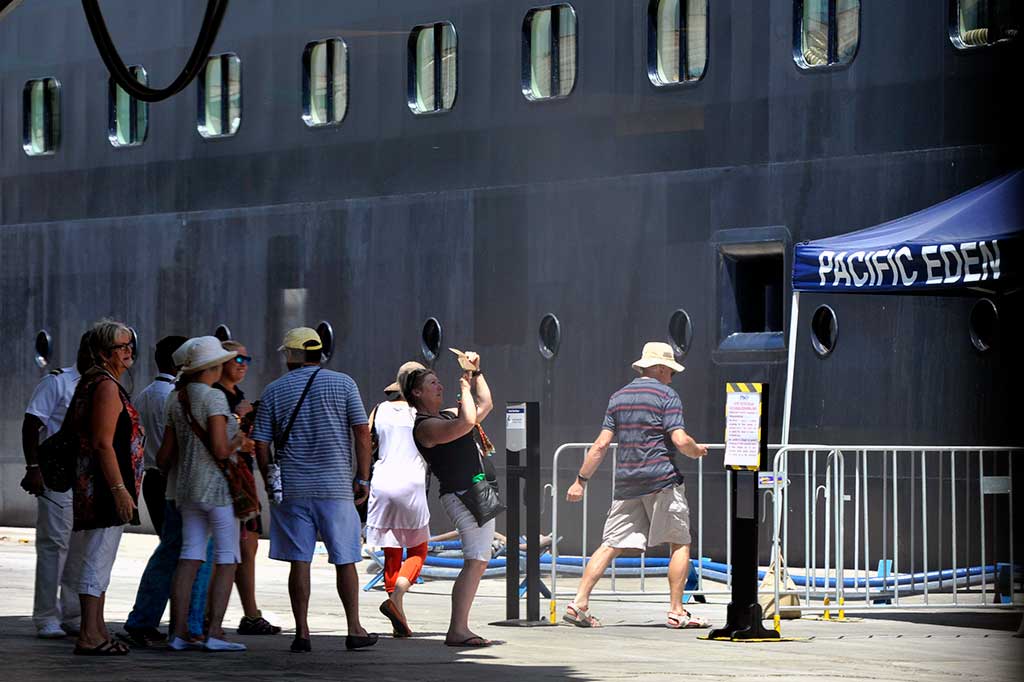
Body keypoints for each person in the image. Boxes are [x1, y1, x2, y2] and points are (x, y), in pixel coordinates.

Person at [562, 342, 709, 630]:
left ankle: (578, 603)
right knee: (680, 541)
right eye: (671, 372)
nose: (672, 377)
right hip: (662, 481)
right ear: (662, 368)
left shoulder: (618, 397)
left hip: (627, 483)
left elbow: (601, 445)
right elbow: (679, 440)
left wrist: (580, 481)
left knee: (610, 544)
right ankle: (677, 611)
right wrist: (696, 450)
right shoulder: (667, 395)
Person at [252, 327, 377, 653]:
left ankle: (303, 633)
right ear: (319, 352)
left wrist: (269, 478)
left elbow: (261, 442)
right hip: (336, 488)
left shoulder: (273, 391)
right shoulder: (344, 383)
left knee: (300, 561)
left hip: (292, 489)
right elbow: (362, 434)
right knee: (346, 559)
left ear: (292, 355)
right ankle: (354, 629)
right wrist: (362, 478)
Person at [121, 335, 212, 648]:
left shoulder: (147, 393)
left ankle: (154, 619)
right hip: (178, 480)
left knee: (171, 551)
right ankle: (179, 622)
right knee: (184, 553)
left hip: (154, 478)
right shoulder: (177, 396)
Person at [159, 336, 248, 652]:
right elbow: (221, 450)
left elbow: (164, 457)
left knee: (189, 556)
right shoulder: (213, 399)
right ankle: (213, 632)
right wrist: (239, 440)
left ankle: (178, 633)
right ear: (212, 366)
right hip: (217, 490)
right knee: (227, 557)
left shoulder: (176, 398)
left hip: (186, 489)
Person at [406, 352, 496, 647]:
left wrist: (477, 373)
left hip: (474, 491)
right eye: (433, 383)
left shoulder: (444, 415)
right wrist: (465, 389)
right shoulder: (425, 426)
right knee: (476, 560)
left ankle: (459, 627)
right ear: (417, 392)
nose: (439, 386)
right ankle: (458, 628)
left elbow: (485, 406)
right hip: (462, 493)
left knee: (478, 560)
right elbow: (468, 421)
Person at [68, 320, 146, 655]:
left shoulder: (98, 382)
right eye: (121, 346)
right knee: (98, 557)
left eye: (131, 345)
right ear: (103, 353)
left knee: (102, 556)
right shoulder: (104, 386)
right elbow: (102, 443)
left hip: (102, 482)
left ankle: (97, 630)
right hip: (104, 485)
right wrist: (118, 488)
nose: (129, 351)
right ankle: (89, 634)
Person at [21, 331, 91, 639]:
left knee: (80, 548)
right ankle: (46, 615)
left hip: (86, 478)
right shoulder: (58, 382)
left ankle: (72, 613)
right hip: (57, 475)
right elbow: (31, 423)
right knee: (54, 546)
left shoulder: (103, 387)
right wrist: (33, 468)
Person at [213, 339, 280, 636]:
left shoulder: (235, 395)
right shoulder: (216, 397)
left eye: (246, 360)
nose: (242, 365)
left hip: (242, 478)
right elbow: (219, 443)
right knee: (224, 552)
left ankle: (249, 613)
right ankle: (208, 619)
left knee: (247, 547)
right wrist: (242, 419)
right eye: (236, 359)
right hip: (223, 482)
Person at [366, 361, 431, 638]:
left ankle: (399, 617)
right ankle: (395, 600)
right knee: (418, 550)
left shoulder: (379, 409)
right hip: (411, 483)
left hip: (381, 482)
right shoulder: (422, 413)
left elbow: (367, 443)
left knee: (391, 551)